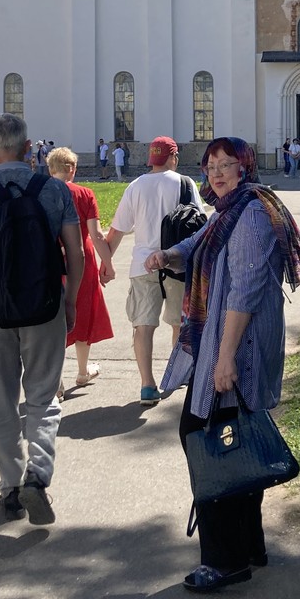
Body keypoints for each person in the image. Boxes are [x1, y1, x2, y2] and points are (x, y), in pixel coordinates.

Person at [145, 136, 300, 592]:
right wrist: (167, 255)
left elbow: (244, 290)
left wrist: (223, 360)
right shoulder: (227, 211)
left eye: (227, 164)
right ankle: (249, 546)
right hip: (224, 342)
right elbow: (195, 242)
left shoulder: (253, 213)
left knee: (208, 441)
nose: (217, 172)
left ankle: (225, 561)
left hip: (235, 346)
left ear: (246, 168)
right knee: (232, 441)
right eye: (211, 165)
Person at [0, 113, 84, 524]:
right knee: (44, 395)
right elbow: (76, 253)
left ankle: (9, 488)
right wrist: (72, 300)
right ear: (30, 149)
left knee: (1, 398)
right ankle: (38, 474)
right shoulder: (54, 189)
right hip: (45, 300)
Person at [104, 137, 204, 404]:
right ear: (173, 157)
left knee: (143, 326)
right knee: (177, 323)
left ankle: (147, 385)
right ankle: (176, 374)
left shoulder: (135, 186)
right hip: (177, 263)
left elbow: (117, 230)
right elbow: (200, 222)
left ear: (151, 158)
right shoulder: (185, 183)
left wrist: (107, 263)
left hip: (142, 264)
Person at [47, 146, 114, 390]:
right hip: (81, 260)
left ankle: (56, 381)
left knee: (52, 318)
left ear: (50, 169)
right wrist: (108, 264)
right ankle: (83, 371)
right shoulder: (85, 194)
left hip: (51, 259)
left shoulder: (42, 193)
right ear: (72, 168)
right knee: (81, 313)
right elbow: (96, 234)